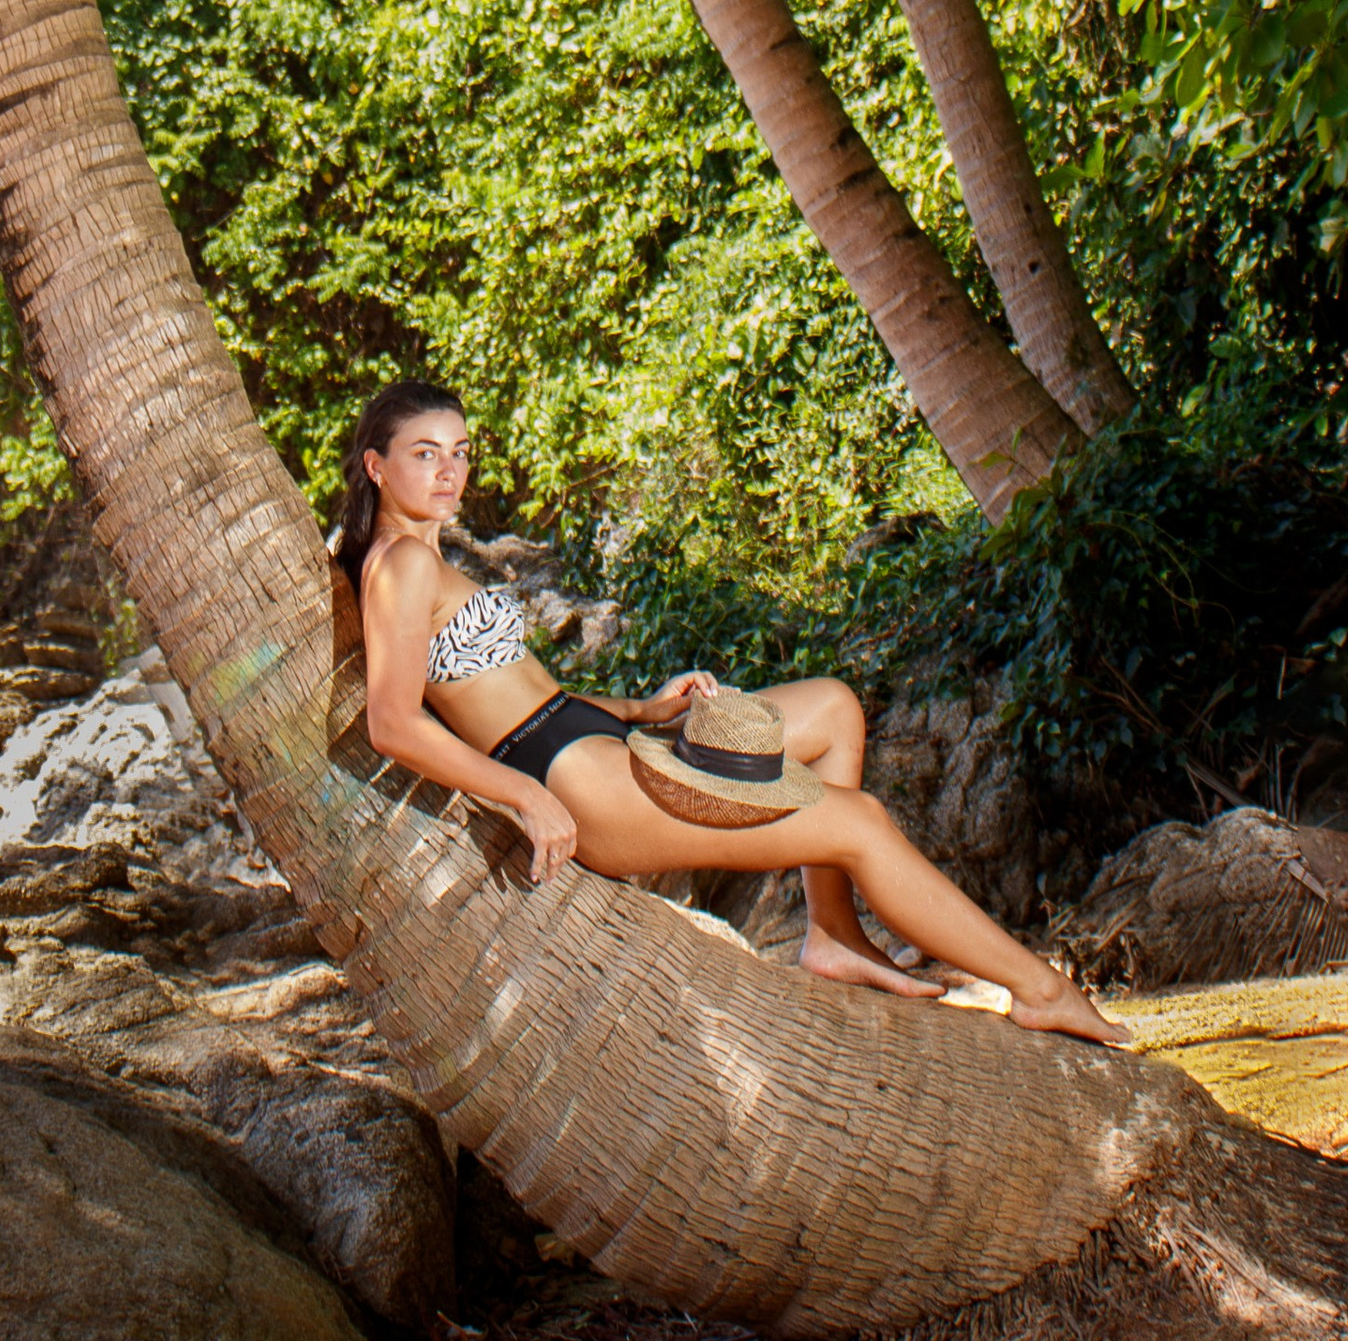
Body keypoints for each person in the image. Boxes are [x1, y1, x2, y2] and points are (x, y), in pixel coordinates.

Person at [338, 377, 1129, 1048]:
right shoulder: (403, 565)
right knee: (859, 823)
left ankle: (835, 933)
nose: (450, 471)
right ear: (376, 467)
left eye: (460, 451)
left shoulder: (425, 558)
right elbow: (394, 723)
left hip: (586, 736)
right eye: (425, 454)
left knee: (834, 709)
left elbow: (522, 694)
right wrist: (527, 797)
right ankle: (1038, 989)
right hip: (578, 782)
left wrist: (643, 707)